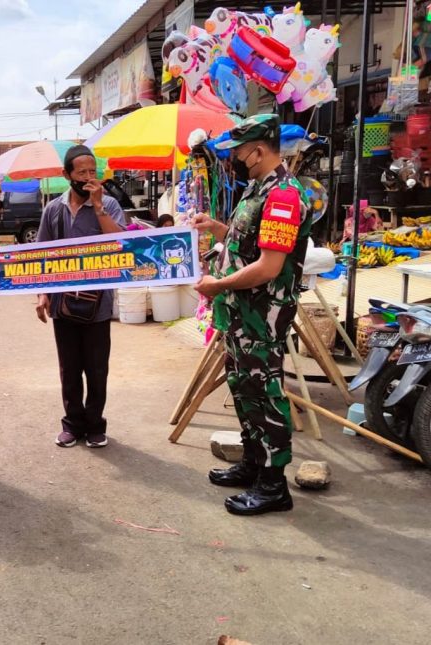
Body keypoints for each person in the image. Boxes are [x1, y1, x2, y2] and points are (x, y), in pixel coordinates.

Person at [193, 114, 310, 516]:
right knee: (243, 387)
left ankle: (274, 484)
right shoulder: (258, 188)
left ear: (259, 150)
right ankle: (252, 462)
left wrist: (218, 286)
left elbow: (269, 267)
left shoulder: (284, 197)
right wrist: (217, 228)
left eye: (241, 153)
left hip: (263, 316)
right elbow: (246, 242)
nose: (237, 160)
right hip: (240, 315)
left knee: (265, 393)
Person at [36, 145, 126, 448]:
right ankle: (72, 424)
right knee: (69, 367)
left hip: (98, 303)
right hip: (63, 303)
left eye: (93, 172)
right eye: (82, 172)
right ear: (67, 175)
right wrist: (42, 296)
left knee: (97, 367)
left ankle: (95, 425)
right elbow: (41, 257)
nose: (89, 178)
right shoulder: (53, 209)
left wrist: (99, 207)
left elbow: (121, 243)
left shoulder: (110, 204)